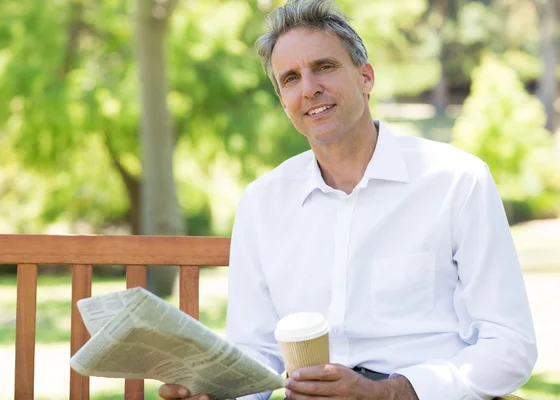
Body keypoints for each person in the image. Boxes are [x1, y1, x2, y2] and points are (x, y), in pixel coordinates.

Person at [158, 0, 537, 399]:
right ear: (284, 102)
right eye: (290, 78)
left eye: (324, 67)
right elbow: (257, 352)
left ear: (366, 77)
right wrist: (214, 391)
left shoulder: (456, 181)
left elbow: (510, 344)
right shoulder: (261, 203)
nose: (309, 89)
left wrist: (390, 392)